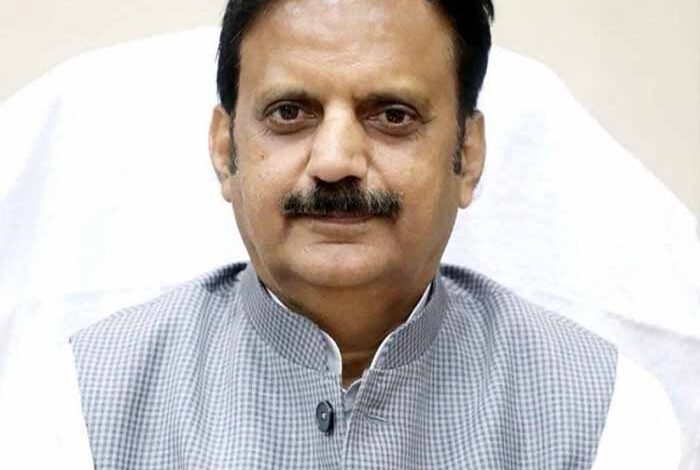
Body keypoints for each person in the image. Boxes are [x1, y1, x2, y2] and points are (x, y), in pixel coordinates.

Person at [69, 0, 680, 468]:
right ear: (226, 151)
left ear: (467, 155)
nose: (335, 161)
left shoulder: (601, 414)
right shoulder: (84, 403)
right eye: (290, 113)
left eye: (392, 115)